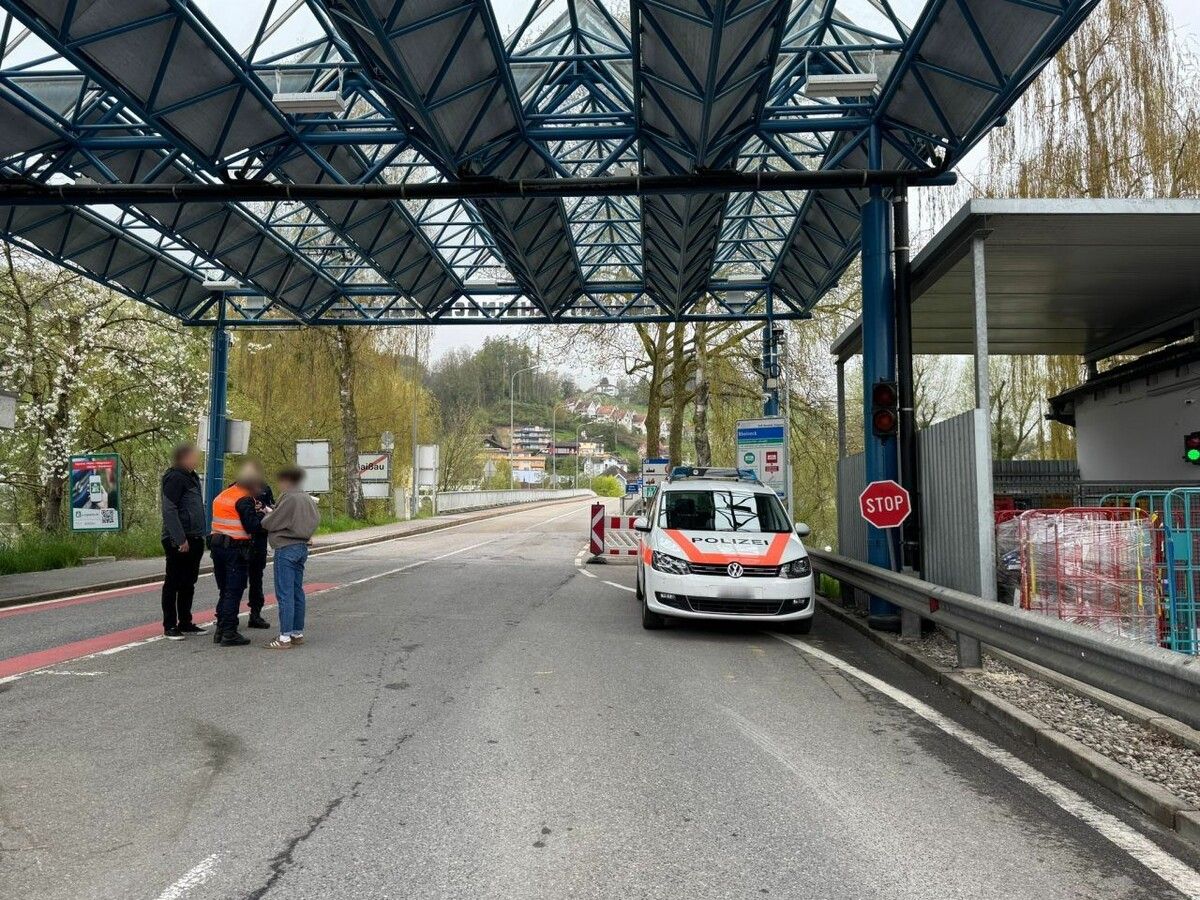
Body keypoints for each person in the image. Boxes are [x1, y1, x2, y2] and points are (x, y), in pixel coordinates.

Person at [208, 462, 268, 647]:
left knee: (225, 590)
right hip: (235, 549)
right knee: (233, 591)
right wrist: (263, 516)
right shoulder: (243, 498)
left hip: (217, 547)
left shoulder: (222, 495)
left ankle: (220, 630)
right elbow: (252, 526)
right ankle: (229, 632)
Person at [260, 467, 320, 650]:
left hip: (286, 547)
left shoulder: (289, 497)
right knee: (297, 591)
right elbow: (315, 518)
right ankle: (296, 633)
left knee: (284, 593)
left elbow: (271, 522)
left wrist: (266, 515)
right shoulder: (306, 497)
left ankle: (284, 637)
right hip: (302, 546)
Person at [160, 444, 207, 640]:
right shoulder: (175, 477)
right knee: (173, 582)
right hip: (179, 539)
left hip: (194, 537)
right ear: (184, 457)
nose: (197, 459)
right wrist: (180, 538)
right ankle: (170, 625)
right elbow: (169, 509)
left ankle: (185, 622)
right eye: (194, 456)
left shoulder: (191, 477)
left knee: (188, 583)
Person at [246, 477, 275, 630]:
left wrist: (265, 508)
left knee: (256, 580)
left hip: (259, 540)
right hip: (241, 541)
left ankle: (255, 614)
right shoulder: (237, 489)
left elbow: (272, 508)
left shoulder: (265, 488)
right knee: (234, 583)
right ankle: (226, 617)